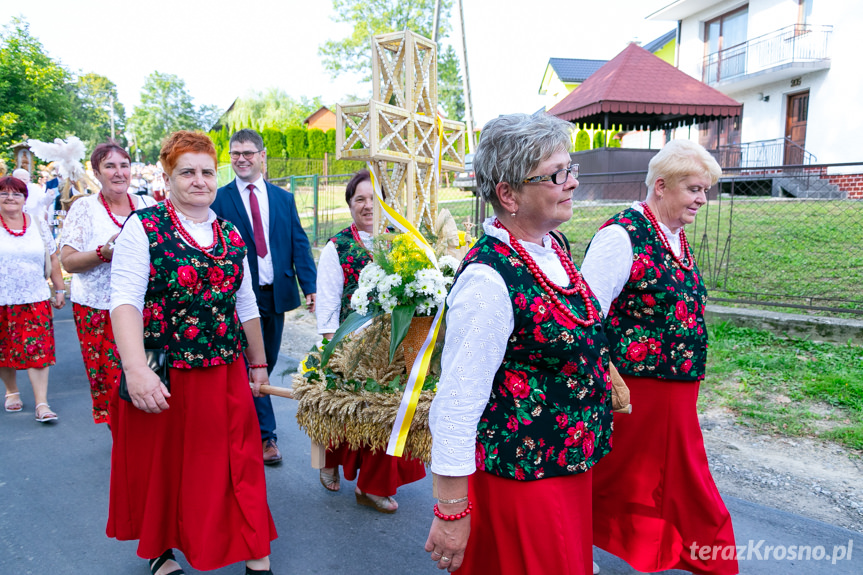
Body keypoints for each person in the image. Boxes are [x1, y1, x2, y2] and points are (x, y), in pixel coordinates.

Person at [425, 114, 613, 574]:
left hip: (564, 472)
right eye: (555, 175)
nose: (570, 183)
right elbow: (455, 405)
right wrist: (451, 511)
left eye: (571, 169)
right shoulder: (489, 280)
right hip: (522, 486)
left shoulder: (551, 247)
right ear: (508, 194)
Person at [107, 131, 277, 575]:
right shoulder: (142, 229)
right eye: (188, 172)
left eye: (206, 172)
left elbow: (246, 305)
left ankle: (255, 548)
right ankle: (160, 549)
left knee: (239, 462)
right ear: (168, 177)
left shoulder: (231, 233)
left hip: (225, 371)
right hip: (165, 371)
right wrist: (136, 369)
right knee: (164, 468)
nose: (199, 181)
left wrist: (257, 365)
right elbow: (124, 299)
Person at [581, 139, 738, 575]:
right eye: (693, 189)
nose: (702, 199)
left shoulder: (675, 235)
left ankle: (692, 554)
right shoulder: (621, 235)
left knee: (658, 483)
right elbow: (587, 313)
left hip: (676, 391)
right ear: (662, 186)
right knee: (618, 481)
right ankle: (715, 561)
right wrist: (609, 383)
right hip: (634, 393)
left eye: (705, 190)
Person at [314, 169, 426, 513]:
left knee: (388, 416)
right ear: (349, 205)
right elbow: (329, 302)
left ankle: (371, 485)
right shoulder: (338, 247)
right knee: (346, 410)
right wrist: (336, 348)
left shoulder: (402, 242)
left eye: (373, 199)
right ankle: (330, 458)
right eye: (359, 199)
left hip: (395, 347)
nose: (367, 206)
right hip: (351, 343)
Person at [212, 128, 317, 466]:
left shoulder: (283, 199)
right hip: (238, 298)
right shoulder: (219, 198)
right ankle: (264, 436)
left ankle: (240, 419)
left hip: (277, 294)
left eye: (248, 153)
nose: (241, 159)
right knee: (249, 363)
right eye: (235, 153)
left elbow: (298, 242)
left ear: (261, 156)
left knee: (265, 364)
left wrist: (309, 285)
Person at [59, 141, 157, 425]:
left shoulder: (149, 205)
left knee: (149, 378)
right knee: (112, 384)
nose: (118, 173)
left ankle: (145, 440)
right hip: (98, 311)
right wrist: (104, 253)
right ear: (96, 172)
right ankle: (122, 443)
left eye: (124, 166)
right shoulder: (85, 209)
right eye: (110, 166)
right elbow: (68, 262)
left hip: (145, 310)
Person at [0, 176, 66, 420]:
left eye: (16, 194)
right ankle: (11, 391)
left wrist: (59, 289)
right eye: (4, 193)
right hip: (2, 299)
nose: (10, 198)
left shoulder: (37, 224)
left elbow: (53, 257)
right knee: (4, 349)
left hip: (34, 297)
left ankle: (42, 404)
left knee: (38, 351)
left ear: (24, 199)